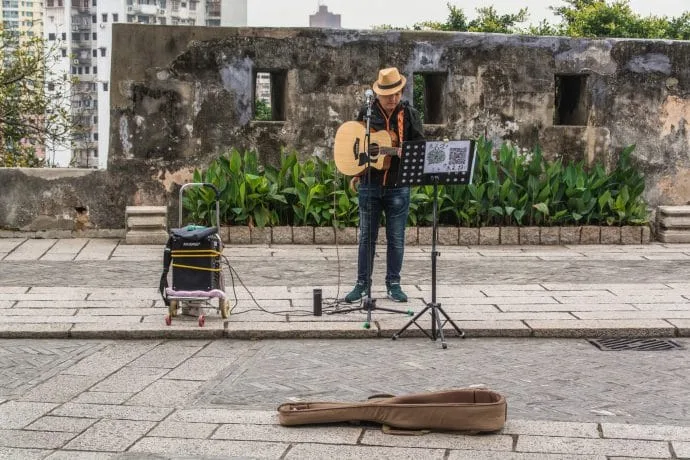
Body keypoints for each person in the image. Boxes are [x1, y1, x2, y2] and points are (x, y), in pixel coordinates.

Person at [344, 67, 425, 303]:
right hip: (370, 183)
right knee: (366, 237)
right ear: (378, 94)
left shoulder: (409, 114)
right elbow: (354, 141)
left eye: (397, 93)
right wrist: (357, 170)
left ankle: (394, 283)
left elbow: (420, 147)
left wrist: (404, 151)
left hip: (398, 185)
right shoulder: (366, 112)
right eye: (389, 94)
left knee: (396, 237)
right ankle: (361, 283)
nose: (394, 98)